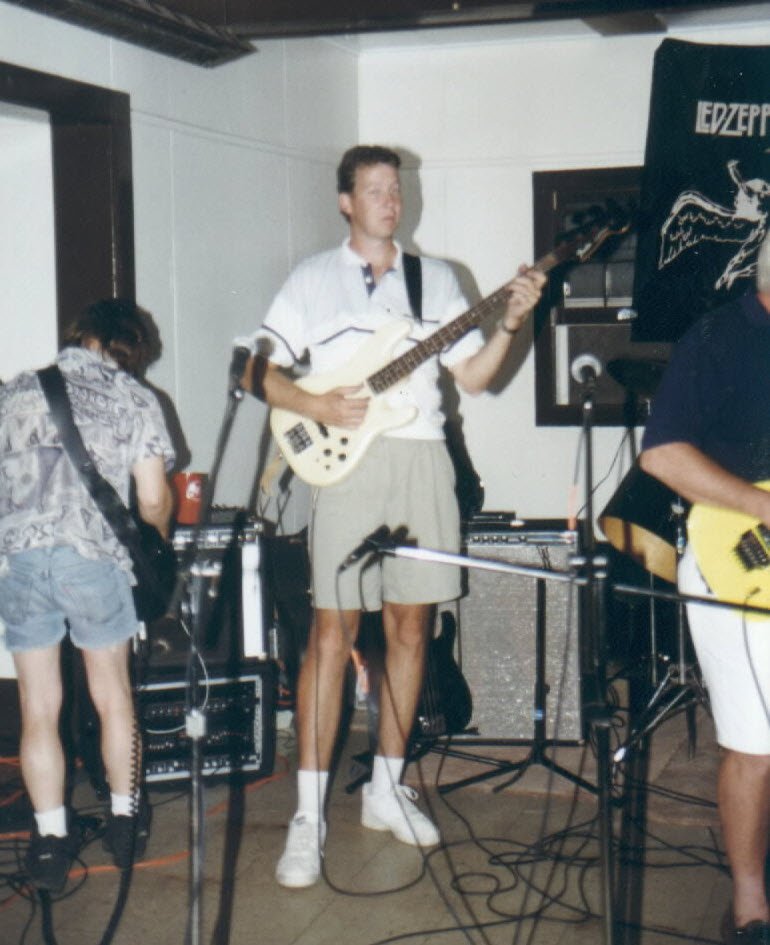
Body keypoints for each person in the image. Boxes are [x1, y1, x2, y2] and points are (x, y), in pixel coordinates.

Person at [241, 144, 546, 889]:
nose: (389, 200)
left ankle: (386, 786)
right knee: (331, 633)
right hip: (346, 467)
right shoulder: (311, 279)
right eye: (374, 190)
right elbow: (252, 370)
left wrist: (512, 322)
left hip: (421, 461)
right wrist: (313, 403)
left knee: (413, 630)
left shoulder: (435, 279)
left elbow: (475, 377)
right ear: (345, 201)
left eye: (395, 189)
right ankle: (308, 817)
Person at [0, 299, 174, 891]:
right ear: (130, 346)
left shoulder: (16, 390)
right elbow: (152, 500)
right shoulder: (133, 396)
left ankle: (50, 842)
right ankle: (124, 823)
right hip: (91, 558)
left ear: (80, 335)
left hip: (22, 561)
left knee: (38, 706)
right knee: (112, 696)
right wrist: (159, 538)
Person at [640, 232, 770, 945]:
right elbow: (662, 454)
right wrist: (760, 505)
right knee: (755, 744)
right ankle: (749, 905)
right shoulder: (720, 338)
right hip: (739, 559)